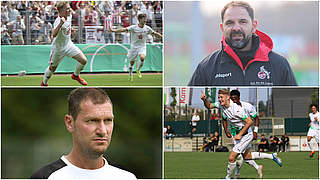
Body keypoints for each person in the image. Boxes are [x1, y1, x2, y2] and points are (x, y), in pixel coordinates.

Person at [30, 88, 137, 179]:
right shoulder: (47, 177)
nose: (103, 131)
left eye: (108, 120)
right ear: (70, 123)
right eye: (92, 121)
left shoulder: (126, 177)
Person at [188, 1, 297, 86]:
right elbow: (189, 105)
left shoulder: (279, 64)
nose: (236, 28)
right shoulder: (207, 67)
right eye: (230, 23)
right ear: (222, 28)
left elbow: (296, 108)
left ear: (254, 26)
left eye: (242, 22)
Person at [201, 89, 282, 180]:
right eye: (219, 97)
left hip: (246, 135)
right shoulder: (221, 104)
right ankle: (271, 156)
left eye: (221, 97)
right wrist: (204, 99)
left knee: (232, 157)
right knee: (247, 157)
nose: (219, 99)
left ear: (228, 98)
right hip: (238, 134)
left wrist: (241, 134)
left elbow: (250, 121)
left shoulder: (236, 110)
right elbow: (209, 106)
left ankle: (228, 177)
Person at [41, 2, 88, 86]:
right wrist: (60, 24)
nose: (69, 9)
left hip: (68, 45)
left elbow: (67, 26)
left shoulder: (69, 16)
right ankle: (44, 83)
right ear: (61, 11)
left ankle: (75, 75)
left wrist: (71, 29)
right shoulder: (58, 21)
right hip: (58, 49)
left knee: (83, 60)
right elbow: (54, 34)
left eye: (69, 7)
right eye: (67, 8)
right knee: (52, 68)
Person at [109, 13, 162, 82]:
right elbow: (124, 29)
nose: (145, 20)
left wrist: (162, 37)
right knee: (132, 63)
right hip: (134, 47)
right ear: (140, 19)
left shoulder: (147, 28)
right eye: (144, 19)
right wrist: (114, 30)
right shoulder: (133, 27)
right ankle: (130, 74)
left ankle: (138, 69)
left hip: (142, 46)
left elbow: (155, 33)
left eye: (145, 19)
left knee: (142, 57)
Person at [229, 89, 262, 178]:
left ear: (239, 97)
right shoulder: (228, 108)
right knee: (246, 156)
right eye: (232, 99)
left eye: (235, 99)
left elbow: (256, 118)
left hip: (246, 134)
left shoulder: (248, 106)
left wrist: (255, 131)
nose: (234, 101)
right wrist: (226, 130)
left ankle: (235, 175)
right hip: (235, 134)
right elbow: (224, 119)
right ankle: (259, 166)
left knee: (238, 155)